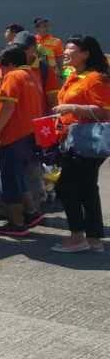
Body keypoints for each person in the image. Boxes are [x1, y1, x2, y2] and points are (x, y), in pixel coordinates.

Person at [50, 35, 109, 253]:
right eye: (65, 48)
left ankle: (77, 237)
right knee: (87, 187)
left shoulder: (95, 78)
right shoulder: (75, 75)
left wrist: (73, 108)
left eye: (71, 49)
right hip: (73, 139)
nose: (65, 52)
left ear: (85, 54)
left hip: (86, 140)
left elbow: (105, 111)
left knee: (66, 187)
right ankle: (93, 238)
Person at [0, 45, 44, 236]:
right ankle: (31, 213)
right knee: (19, 178)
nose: (0, 70)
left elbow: (8, 107)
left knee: (10, 181)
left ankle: (16, 223)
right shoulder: (31, 76)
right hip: (28, 136)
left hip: (12, 137)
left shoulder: (12, 76)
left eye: (1, 66)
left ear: (9, 64)